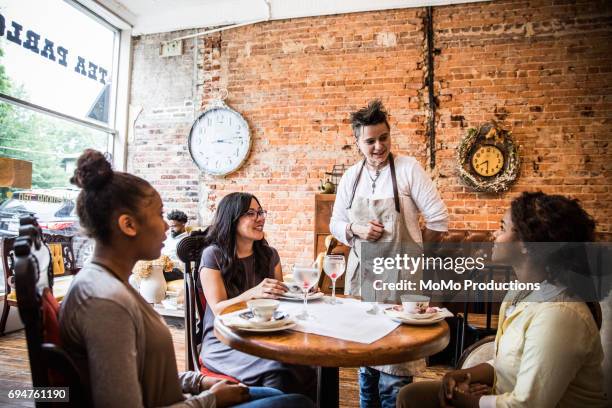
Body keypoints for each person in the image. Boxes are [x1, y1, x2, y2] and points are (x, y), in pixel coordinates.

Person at [59, 149, 313, 408]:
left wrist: (198, 383)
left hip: (188, 395)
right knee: (299, 403)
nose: (168, 226)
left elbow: (149, 376)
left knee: (297, 395)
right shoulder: (105, 302)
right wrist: (210, 400)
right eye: (160, 215)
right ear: (128, 225)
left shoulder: (111, 284)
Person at [396, 191, 608, 408]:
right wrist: (463, 375)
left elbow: (528, 405)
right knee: (411, 395)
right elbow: (509, 359)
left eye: (502, 228)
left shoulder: (560, 315)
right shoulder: (521, 291)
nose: (495, 235)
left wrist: (468, 401)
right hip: (505, 394)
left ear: (527, 244)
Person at [330, 100, 449, 408]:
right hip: (362, 280)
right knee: (366, 359)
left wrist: (415, 256)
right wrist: (354, 229)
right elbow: (336, 223)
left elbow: (438, 219)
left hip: (400, 280)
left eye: (384, 138)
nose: (378, 146)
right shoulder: (351, 177)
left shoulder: (408, 169)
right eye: (370, 141)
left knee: (395, 366)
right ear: (357, 142)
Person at [199, 192, 317, 400]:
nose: (260, 218)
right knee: (279, 369)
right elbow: (218, 308)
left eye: (260, 212)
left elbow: (278, 299)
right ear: (232, 218)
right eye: (251, 213)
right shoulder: (213, 255)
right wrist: (252, 294)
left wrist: (300, 292)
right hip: (226, 341)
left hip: (265, 336)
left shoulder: (270, 255)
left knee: (308, 366)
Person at [161, 209, 189, 281]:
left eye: (174, 226)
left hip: (178, 270)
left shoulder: (186, 241)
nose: (171, 229)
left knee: (156, 272)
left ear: (183, 224)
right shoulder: (168, 238)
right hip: (163, 266)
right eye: (170, 226)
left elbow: (186, 263)